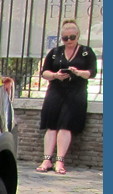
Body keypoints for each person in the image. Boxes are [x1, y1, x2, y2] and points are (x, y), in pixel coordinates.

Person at [36, 19, 97, 175]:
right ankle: (47, 159)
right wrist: (56, 75)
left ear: (78, 36)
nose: (69, 41)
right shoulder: (55, 52)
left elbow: (91, 72)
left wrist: (77, 72)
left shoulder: (86, 52)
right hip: (56, 90)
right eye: (65, 38)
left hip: (76, 91)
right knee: (51, 125)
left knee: (66, 125)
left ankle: (60, 160)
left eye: (72, 37)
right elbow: (44, 72)